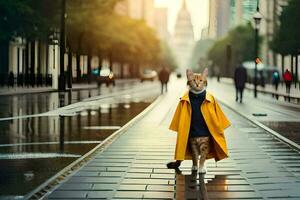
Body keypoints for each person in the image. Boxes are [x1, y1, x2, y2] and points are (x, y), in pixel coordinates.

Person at [167, 68, 231, 173]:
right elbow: (180, 116)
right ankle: (193, 163)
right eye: (193, 81)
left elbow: (218, 115)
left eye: (200, 81)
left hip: (205, 131)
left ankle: (201, 163)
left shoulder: (210, 98)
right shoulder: (184, 99)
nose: (197, 83)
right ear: (189, 81)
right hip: (192, 131)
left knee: (204, 147)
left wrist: (219, 128)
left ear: (204, 81)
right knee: (193, 148)